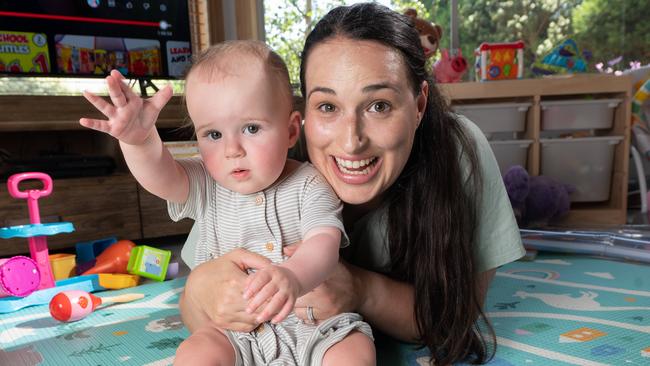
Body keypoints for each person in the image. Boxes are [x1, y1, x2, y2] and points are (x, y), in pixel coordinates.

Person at [181, 3, 525, 365]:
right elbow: (198, 316)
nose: (350, 142)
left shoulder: (457, 148)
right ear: (300, 117)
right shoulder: (265, 156)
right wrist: (200, 289)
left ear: (419, 103)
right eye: (327, 107)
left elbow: (458, 314)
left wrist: (360, 290)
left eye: (378, 105)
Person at [79, 41, 374, 365]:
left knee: (355, 350)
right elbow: (162, 177)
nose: (232, 149)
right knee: (196, 352)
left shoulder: (310, 184)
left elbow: (324, 242)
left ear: (291, 131)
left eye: (251, 128)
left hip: (313, 325)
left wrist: (294, 276)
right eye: (213, 135)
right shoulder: (207, 182)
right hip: (235, 331)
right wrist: (139, 142)